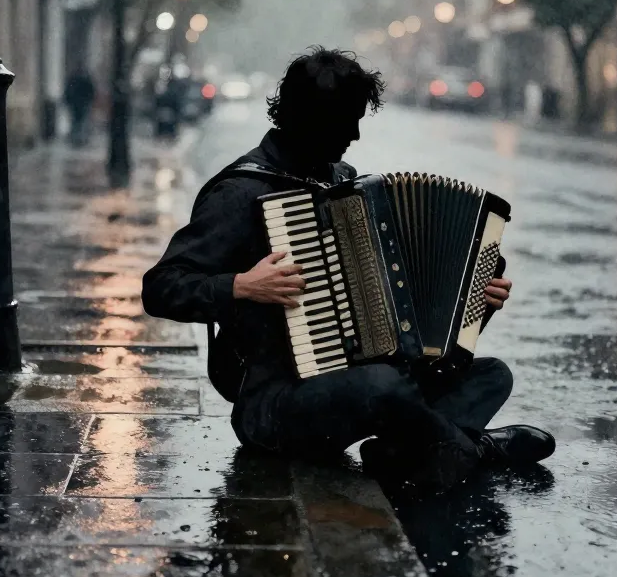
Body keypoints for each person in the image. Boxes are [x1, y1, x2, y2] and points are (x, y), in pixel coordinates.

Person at [142, 47, 555, 491]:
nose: (356, 134)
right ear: (308, 118)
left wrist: (477, 297)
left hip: (357, 382)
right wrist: (242, 285)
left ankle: (408, 450)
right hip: (275, 404)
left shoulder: (342, 183)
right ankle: (470, 450)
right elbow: (161, 287)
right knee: (382, 385)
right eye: (346, 121)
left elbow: (407, 311)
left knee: (491, 375)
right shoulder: (240, 194)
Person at [64, 68, 96, 146]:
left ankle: (78, 139)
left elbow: (68, 91)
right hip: (80, 104)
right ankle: (79, 139)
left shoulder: (74, 80)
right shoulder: (84, 80)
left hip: (78, 104)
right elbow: (91, 91)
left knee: (77, 122)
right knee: (80, 122)